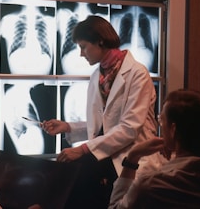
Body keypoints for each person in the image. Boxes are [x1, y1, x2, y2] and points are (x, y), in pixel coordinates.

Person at [42, 15, 163, 208]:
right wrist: (68, 127)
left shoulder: (137, 74)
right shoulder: (98, 76)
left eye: (83, 46)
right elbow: (104, 126)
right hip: (107, 160)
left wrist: (82, 150)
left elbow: (129, 128)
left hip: (130, 160)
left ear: (100, 41)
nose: (81, 54)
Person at [109, 89, 200, 208]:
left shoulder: (151, 186)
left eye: (161, 120)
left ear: (173, 130)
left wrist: (132, 157)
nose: (160, 126)